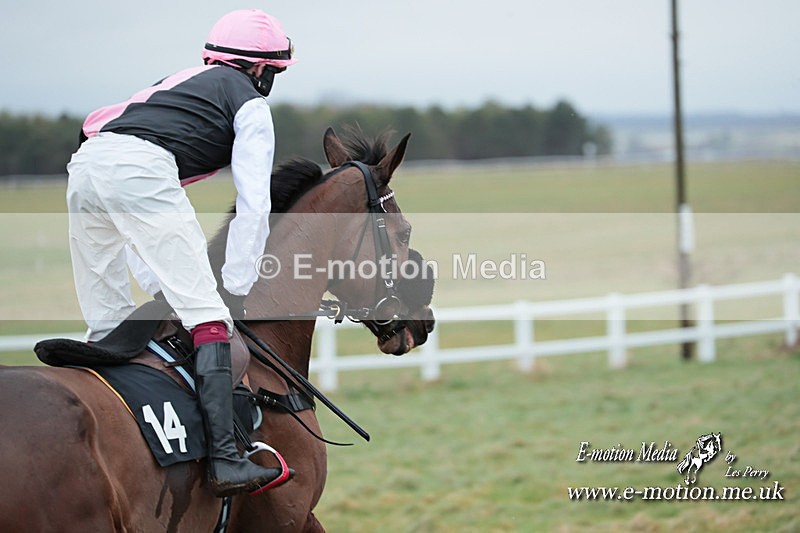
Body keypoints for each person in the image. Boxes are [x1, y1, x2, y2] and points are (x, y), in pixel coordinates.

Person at [66, 9, 296, 497]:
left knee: (106, 318)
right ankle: (226, 461)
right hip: (138, 168)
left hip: (86, 165)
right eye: (273, 73)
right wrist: (236, 283)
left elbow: (106, 150)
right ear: (259, 69)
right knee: (209, 317)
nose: (270, 82)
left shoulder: (180, 81)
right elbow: (256, 203)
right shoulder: (251, 105)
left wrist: (162, 284)